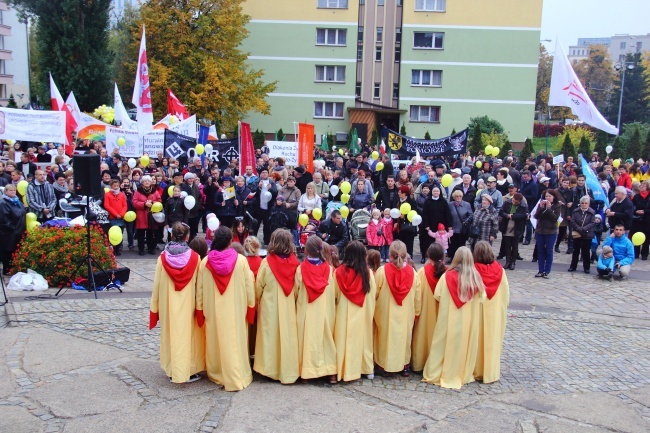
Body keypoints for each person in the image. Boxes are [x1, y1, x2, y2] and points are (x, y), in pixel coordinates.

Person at [196, 226, 256, 391]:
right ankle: (237, 373)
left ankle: (217, 372)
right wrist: (251, 308)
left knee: (215, 340)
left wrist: (200, 310)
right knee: (235, 341)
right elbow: (249, 287)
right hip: (236, 310)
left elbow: (199, 291)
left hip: (213, 310)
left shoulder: (205, 263)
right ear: (231, 241)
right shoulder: (241, 261)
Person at [149, 222, 205, 384]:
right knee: (187, 337)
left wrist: (155, 308)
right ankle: (185, 369)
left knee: (171, 335)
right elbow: (199, 286)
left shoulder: (162, 258)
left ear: (172, 235)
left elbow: (157, 285)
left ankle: (173, 368)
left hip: (168, 304)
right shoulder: (195, 258)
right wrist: (199, 307)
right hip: (187, 304)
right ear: (187, 237)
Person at [422, 247, 485, 389]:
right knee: (464, 345)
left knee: (443, 344)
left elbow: (437, 295)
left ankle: (438, 371)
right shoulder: (476, 278)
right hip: (468, 320)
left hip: (448, 317)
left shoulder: (447, 276)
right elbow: (482, 298)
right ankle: (463, 373)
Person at [253, 229, 301, 384]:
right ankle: (287, 370)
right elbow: (297, 287)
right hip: (288, 305)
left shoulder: (267, 262)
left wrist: (258, 300)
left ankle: (268, 369)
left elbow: (259, 285)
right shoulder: (295, 263)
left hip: (270, 305)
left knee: (269, 337)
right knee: (287, 337)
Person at [373, 240, 421, 377]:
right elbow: (418, 297)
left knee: (385, 338)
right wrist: (416, 312)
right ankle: (404, 365)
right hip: (406, 312)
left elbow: (375, 293)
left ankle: (383, 365)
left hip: (386, 313)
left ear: (390, 255)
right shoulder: (414, 274)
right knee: (404, 338)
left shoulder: (382, 272)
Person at [332, 241, 376, 382]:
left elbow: (335, 294)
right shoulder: (368, 273)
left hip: (344, 310)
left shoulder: (338, 272)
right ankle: (365, 368)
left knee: (342, 339)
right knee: (363, 340)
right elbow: (372, 294)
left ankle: (342, 368)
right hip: (362, 309)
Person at [294, 236, 336, 382]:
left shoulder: (301, 269)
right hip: (324, 310)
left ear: (306, 250)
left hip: (307, 309)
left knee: (307, 339)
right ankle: (330, 371)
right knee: (326, 339)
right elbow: (332, 292)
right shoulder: (329, 270)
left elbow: (296, 290)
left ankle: (306, 371)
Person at [472, 241, 509, 384]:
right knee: (491, 340)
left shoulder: (474, 270)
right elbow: (505, 293)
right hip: (494, 311)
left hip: (478, 310)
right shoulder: (500, 270)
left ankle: (475, 369)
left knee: (477, 340)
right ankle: (490, 371)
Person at [411, 243, 446, 372]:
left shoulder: (422, 272)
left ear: (428, 255)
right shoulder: (446, 273)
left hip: (425, 313)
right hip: (440, 314)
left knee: (422, 337)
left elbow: (417, 294)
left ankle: (419, 363)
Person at [533, 189, 562, 278]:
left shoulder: (557, 206)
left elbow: (555, 218)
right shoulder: (541, 204)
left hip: (551, 231)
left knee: (549, 251)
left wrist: (549, 209)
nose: (548, 198)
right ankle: (540, 270)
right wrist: (541, 208)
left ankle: (547, 271)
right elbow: (536, 216)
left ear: (554, 197)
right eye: (546, 196)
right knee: (540, 251)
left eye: (550, 196)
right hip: (540, 231)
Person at [421, 186, 453, 263]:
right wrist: (426, 225)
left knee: (440, 243)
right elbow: (424, 214)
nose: (435, 193)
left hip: (441, 226)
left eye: (437, 191)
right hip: (430, 226)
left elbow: (447, 214)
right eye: (434, 191)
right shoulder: (427, 201)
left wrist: (449, 226)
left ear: (440, 192)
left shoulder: (443, 201)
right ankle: (426, 257)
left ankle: (440, 258)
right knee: (428, 243)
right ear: (431, 192)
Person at [132, 175, 162, 255]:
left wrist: (152, 203)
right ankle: (141, 249)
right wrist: (144, 204)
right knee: (141, 233)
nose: (147, 182)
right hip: (141, 214)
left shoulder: (155, 191)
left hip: (151, 215)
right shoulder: (138, 192)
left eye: (148, 181)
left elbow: (159, 201)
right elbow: (134, 203)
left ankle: (151, 248)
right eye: (145, 181)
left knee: (151, 233)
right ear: (142, 182)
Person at [0, 184, 26, 275]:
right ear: (6, 192)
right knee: (8, 251)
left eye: (14, 190)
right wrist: (13, 229)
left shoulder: (17, 201)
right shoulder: (3, 203)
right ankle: (7, 269)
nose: (13, 192)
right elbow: (4, 219)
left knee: (17, 250)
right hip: (9, 232)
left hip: (19, 230)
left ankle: (15, 268)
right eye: (11, 190)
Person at [498, 193, 528, 270]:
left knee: (515, 246)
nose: (514, 202)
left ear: (520, 201)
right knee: (507, 245)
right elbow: (501, 212)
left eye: (516, 202)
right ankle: (508, 261)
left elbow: (525, 215)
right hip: (507, 226)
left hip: (517, 228)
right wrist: (507, 215)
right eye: (513, 201)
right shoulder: (507, 202)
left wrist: (514, 216)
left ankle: (513, 262)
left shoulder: (523, 205)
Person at [568, 196, 596, 273]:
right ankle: (573, 266)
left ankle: (586, 268)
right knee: (575, 251)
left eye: (585, 203)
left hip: (587, 234)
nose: (584, 204)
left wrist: (584, 229)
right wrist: (579, 228)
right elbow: (573, 221)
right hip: (577, 233)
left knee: (586, 252)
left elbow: (592, 222)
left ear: (588, 204)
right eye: (582, 203)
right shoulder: (576, 211)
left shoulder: (591, 212)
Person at [104, 179, 128, 256]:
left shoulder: (122, 194)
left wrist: (121, 214)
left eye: (117, 186)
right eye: (114, 186)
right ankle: (113, 249)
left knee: (120, 233)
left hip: (121, 217)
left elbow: (125, 205)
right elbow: (107, 205)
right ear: (111, 186)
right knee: (113, 233)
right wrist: (115, 214)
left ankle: (118, 248)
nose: (116, 187)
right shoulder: (107, 195)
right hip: (113, 217)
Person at [448, 190, 473, 260]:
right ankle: (453, 258)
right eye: (457, 196)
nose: (458, 198)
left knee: (461, 244)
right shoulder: (450, 204)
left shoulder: (467, 204)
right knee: (453, 244)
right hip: (453, 228)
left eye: (460, 196)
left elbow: (471, 215)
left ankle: (461, 258)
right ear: (454, 197)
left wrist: (466, 221)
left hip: (462, 228)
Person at [631, 180, 650, 260]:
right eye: (640, 186)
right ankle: (636, 252)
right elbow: (632, 206)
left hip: (647, 219)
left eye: (643, 186)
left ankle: (644, 253)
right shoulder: (636, 196)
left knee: (647, 236)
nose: (641, 187)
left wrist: (644, 212)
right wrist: (636, 211)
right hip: (637, 220)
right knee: (636, 235)